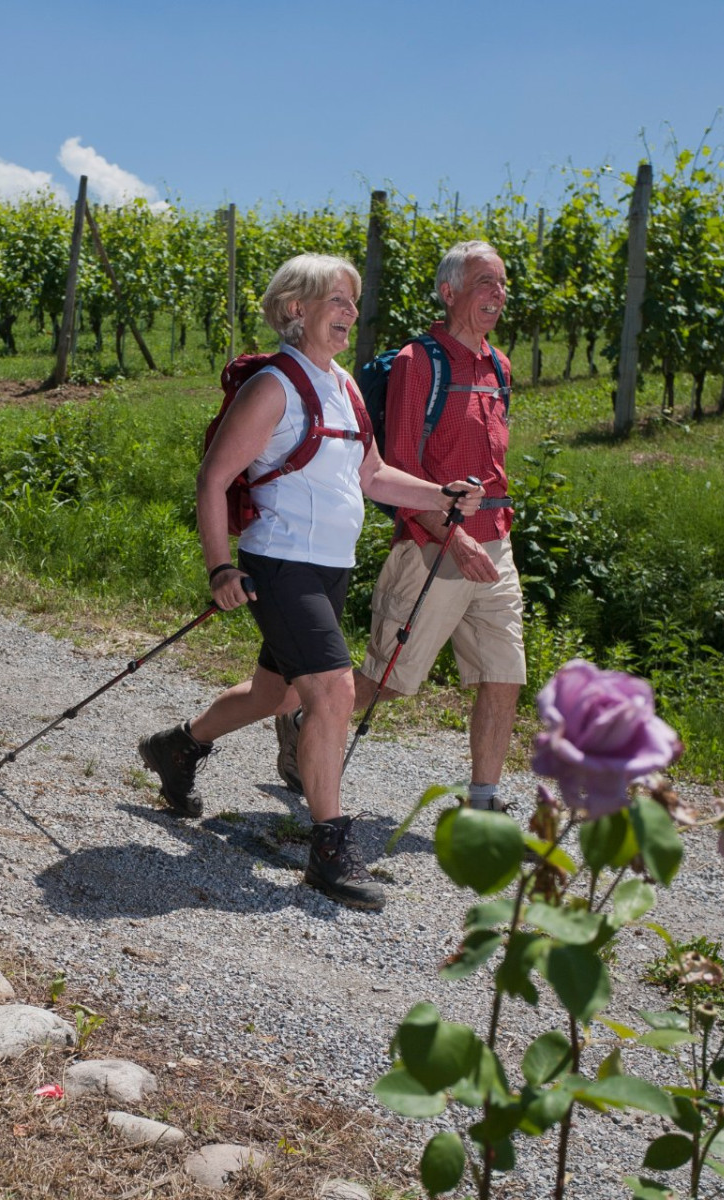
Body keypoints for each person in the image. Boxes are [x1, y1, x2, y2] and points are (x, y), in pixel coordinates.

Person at [136, 254, 479, 910]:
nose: (351, 313)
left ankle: (178, 748)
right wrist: (220, 567)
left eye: (353, 302)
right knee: (332, 691)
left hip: (331, 568)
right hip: (281, 563)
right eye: (338, 301)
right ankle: (329, 846)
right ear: (296, 308)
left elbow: (374, 476)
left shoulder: (346, 387)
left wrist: (440, 493)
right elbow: (212, 478)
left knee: (273, 692)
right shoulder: (274, 387)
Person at [275, 241, 523, 814]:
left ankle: (483, 802)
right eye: (485, 283)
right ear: (450, 291)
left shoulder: (499, 366)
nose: (498, 295)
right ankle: (301, 718)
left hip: (494, 543)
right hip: (432, 547)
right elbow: (401, 466)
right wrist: (452, 537)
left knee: (503, 672)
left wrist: (489, 533)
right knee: (388, 679)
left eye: (503, 285)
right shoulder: (420, 362)